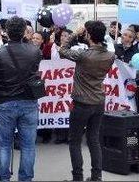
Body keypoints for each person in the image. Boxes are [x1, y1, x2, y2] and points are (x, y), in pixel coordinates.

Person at [59, 21, 115, 182]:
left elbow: (62, 50)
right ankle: (97, 176)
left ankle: (78, 177)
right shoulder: (110, 56)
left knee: (75, 141)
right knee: (94, 139)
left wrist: (75, 34)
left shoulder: (83, 55)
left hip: (81, 103)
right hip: (98, 102)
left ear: (88, 35)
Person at [0, 16, 42, 182]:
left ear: (6, 32)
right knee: (28, 145)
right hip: (28, 102)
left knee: (4, 144)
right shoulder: (35, 51)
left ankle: (3, 178)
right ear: (24, 32)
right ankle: (25, 179)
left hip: (6, 102)